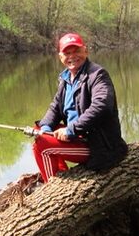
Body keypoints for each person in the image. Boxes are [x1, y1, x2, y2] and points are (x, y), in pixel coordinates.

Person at [32, 32, 127, 182]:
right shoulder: (65, 79)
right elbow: (55, 107)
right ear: (60, 57)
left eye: (76, 51)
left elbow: (102, 106)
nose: (72, 56)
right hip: (78, 137)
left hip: (99, 145)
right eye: (67, 53)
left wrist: (71, 130)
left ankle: (53, 185)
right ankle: (61, 174)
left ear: (86, 50)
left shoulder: (97, 75)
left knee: (42, 146)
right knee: (39, 133)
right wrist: (45, 127)